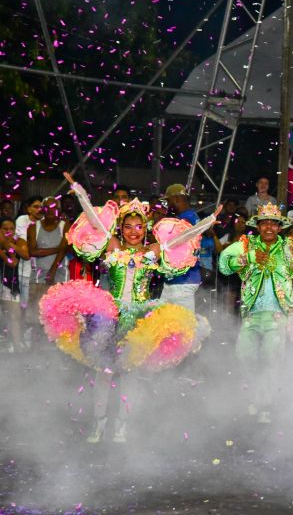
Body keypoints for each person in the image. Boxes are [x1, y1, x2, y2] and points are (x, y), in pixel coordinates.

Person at [49, 174, 217, 443]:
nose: (134, 231)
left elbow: (181, 239)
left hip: (139, 318)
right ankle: (99, 424)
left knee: (130, 375)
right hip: (109, 316)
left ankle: (121, 427)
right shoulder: (113, 246)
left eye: (139, 226)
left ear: (146, 228)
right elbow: (93, 217)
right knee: (103, 373)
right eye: (128, 226)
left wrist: (207, 222)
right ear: (121, 228)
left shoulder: (152, 251)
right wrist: (79, 191)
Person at [219, 203, 293, 423]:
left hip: (277, 316)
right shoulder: (245, 245)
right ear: (257, 225)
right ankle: (255, 395)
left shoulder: (289, 248)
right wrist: (246, 260)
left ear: (279, 227)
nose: (268, 227)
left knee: (270, 358)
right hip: (251, 315)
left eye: (273, 223)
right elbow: (224, 265)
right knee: (244, 356)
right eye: (264, 222)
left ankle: (264, 404)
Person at [26, 197, 70, 339]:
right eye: (48, 207)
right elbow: (33, 251)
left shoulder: (65, 226)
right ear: (42, 209)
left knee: (58, 316)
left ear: (59, 210)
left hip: (59, 275)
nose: (51, 210)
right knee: (36, 316)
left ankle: (57, 351)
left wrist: (52, 270)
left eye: (54, 207)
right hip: (38, 278)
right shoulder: (34, 227)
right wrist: (58, 248)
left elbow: (64, 251)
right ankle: (36, 352)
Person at [160, 184, 203, 312]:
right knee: (163, 322)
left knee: (184, 326)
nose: (167, 205)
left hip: (183, 280)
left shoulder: (186, 219)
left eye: (169, 201)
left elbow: (173, 245)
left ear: (177, 199)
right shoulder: (189, 217)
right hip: (177, 280)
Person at [0, 217, 28, 352]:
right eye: (5, 229)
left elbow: (17, 260)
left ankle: (16, 345)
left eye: (11, 229)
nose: (8, 232)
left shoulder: (18, 241)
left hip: (11, 284)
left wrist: (7, 246)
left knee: (14, 315)